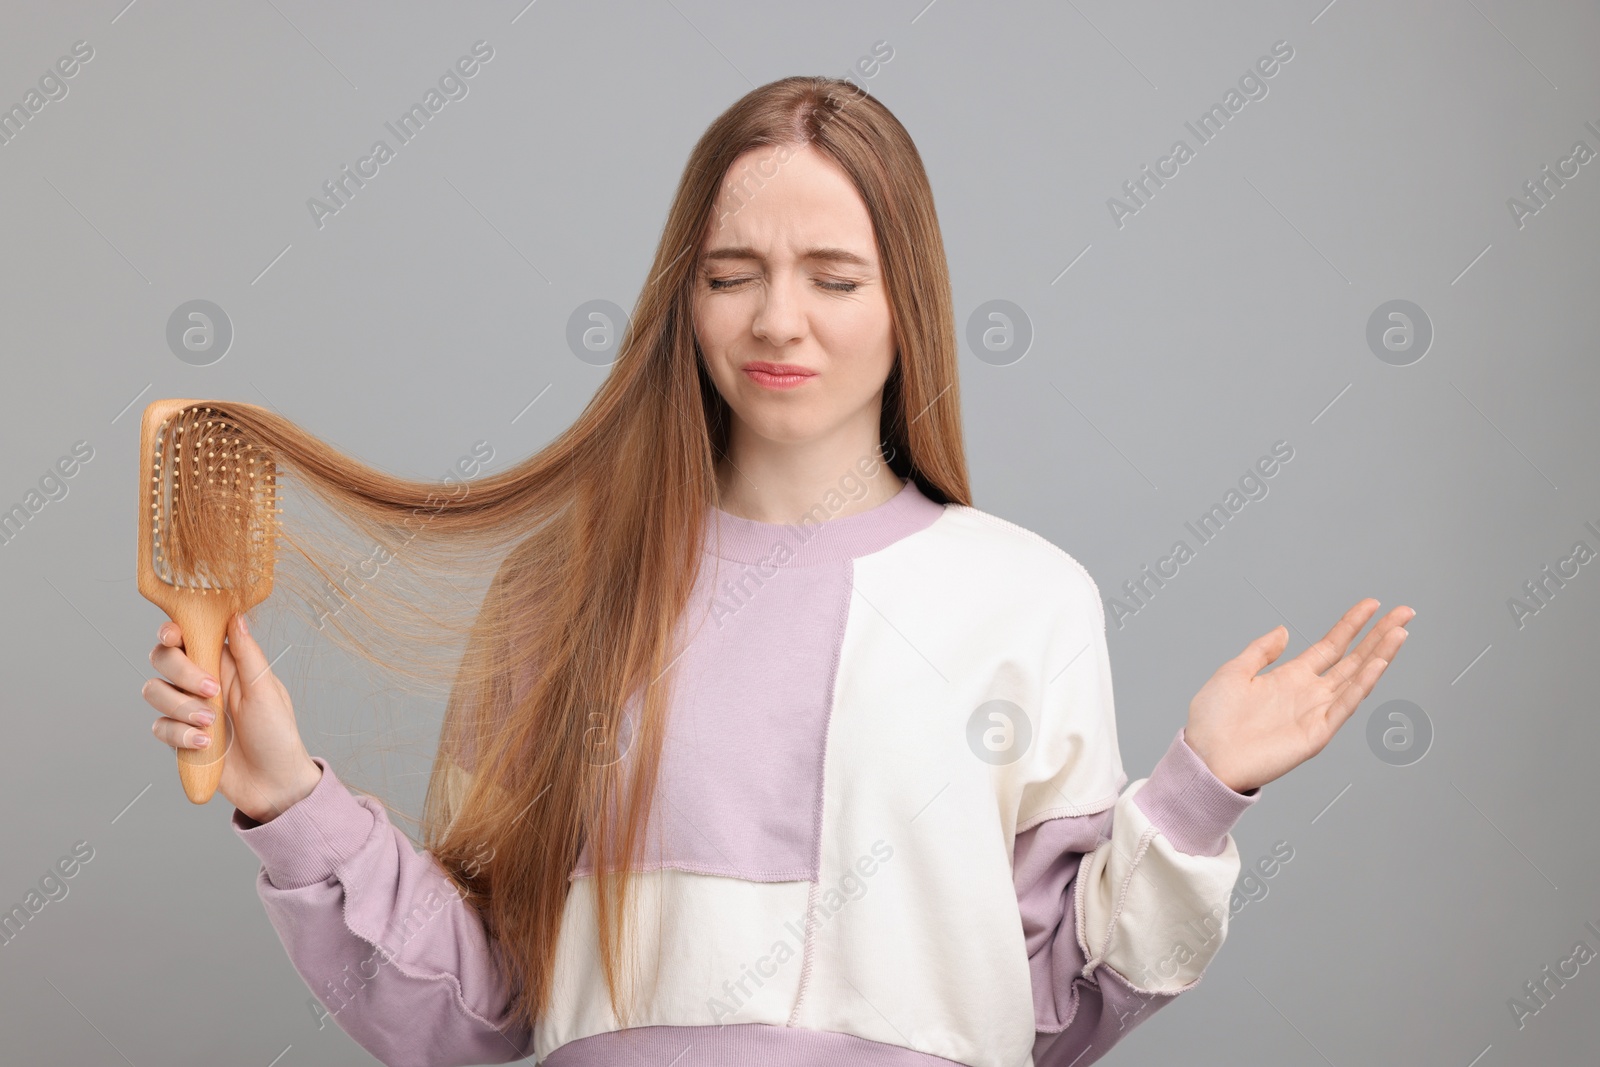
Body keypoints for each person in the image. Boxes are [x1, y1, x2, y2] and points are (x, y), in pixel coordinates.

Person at [140, 76, 1412, 1067]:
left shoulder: (1024, 600)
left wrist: (1197, 792)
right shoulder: (561, 594)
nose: (777, 321)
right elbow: (478, 1011)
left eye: (834, 277)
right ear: (681, 302)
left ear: (905, 299)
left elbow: (1039, 1015)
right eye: (731, 275)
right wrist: (281, 791)